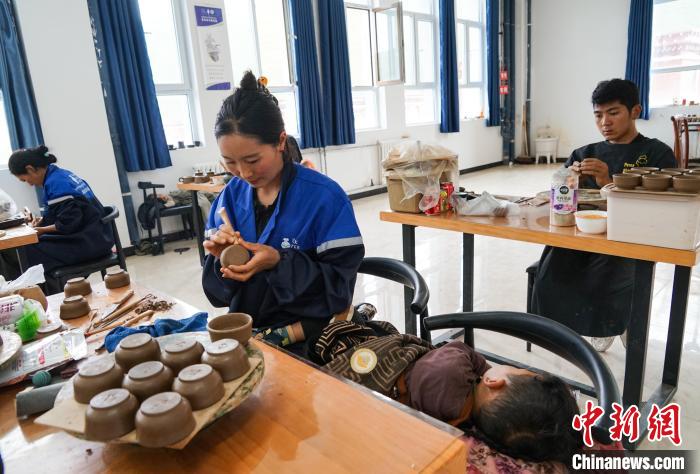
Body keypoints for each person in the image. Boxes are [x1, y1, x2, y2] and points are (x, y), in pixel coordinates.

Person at [201, 71, 365, 355]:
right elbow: (218, 296)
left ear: (279, 142)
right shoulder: (229, 198)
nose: (244, 173)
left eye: (252, 160)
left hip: (311, 337)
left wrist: (278, 262)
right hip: (250, 332)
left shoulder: (324, 198)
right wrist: (221, 262)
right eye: (230, 162)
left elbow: (338, 293)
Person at [531, 79, 676, 351]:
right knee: (550, 274)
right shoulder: (584, 153)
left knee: (603, 277)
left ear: (635, 111)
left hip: (629, 238)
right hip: (581, 235)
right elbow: (560, 196)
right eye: (598, 115)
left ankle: (612, 322)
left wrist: (607, 182)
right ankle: (562, 333)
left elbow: (661, 209)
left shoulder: (656, 153)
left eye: (613, 113)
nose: (604, 122)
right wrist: (568, 182)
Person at [317, 319, 581, 464]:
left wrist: (483, 369)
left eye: (517, 370)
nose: (512, 366)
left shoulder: (449, 373)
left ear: (494, 382)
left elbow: (456, 349)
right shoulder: (461, 417)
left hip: (362, 378)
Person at [8, 145, 114, 275]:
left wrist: (42, 230)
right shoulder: (61, 175)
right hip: (100, 235)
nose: (29, 184)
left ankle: (56, 286)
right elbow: (73, 212)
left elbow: (68, 223)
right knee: (31, 248)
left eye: (24, 180)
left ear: (30, 169)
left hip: (88, 243)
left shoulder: (55, 185)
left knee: (24, 252)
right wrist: (43, 221)